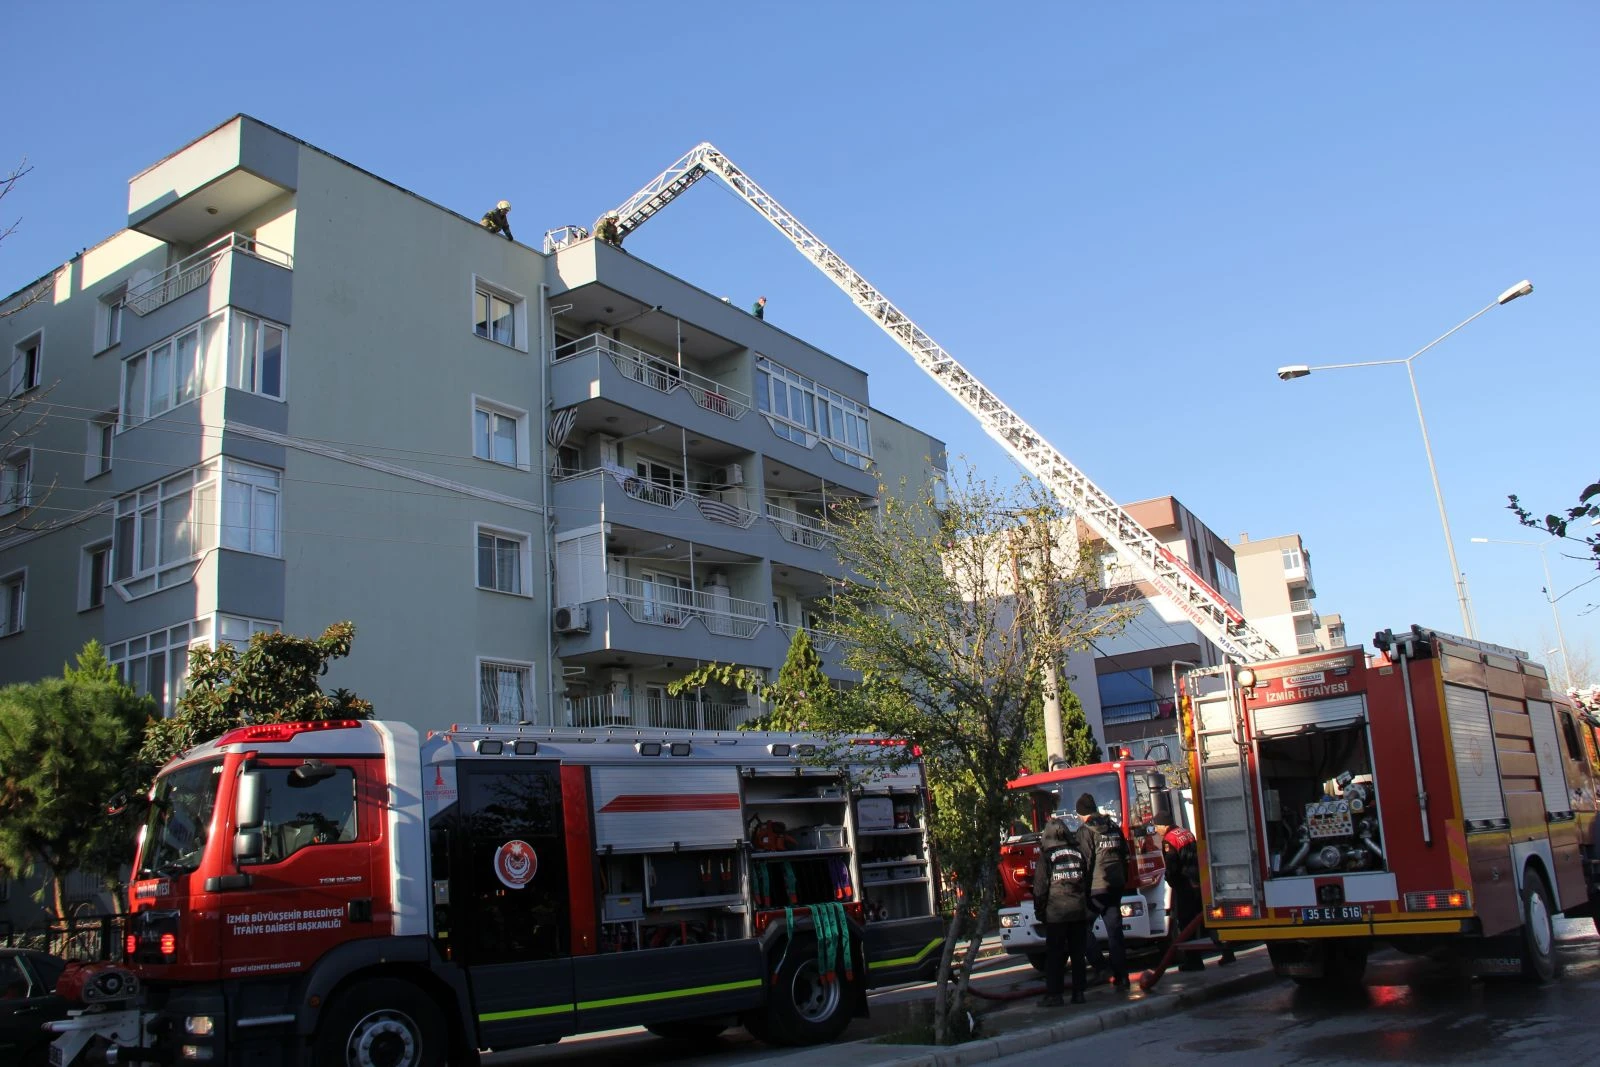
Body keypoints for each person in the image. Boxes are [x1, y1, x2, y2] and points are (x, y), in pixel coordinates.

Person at [1032, 815, 1093, 1006]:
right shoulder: (1078, 853)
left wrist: (1040, 911)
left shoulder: (1047, 857)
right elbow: (1087, 881)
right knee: (1078, 954)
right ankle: (1079, 993)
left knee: (1055, 956)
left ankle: (1055, 995)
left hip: (1057, 914)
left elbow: (1040, 889)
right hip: (1078, 910)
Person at [1160, 823, 1235, 971]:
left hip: (1185, 886)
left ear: (1164, 825)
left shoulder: (1169, 840)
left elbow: (1172, 866)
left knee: (1187, 924)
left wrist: (1169, 878)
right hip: (1199, 882)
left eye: (1157, 826)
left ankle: (1194, 961)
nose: (1156, 830)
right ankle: (1227, 951)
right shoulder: (1186, 833)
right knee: (1209, 919)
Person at [1075, 792, 1130, 991]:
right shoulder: (1113, 827)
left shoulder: (1086, 830)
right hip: (1116, 886)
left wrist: (1080, 889)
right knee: (1115, 932)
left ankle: (1101, 967)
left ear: (1081, 813)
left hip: (1097, 888)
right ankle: (1122, 976)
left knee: (1081, 928)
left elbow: (1085, 862)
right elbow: (1125, 855)